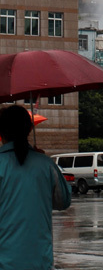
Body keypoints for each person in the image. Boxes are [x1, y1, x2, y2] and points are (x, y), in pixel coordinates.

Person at [0, 104, 71, 270]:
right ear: (29, 130)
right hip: (40, 262)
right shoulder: (46, 165)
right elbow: (63, 201)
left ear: (1, 133)